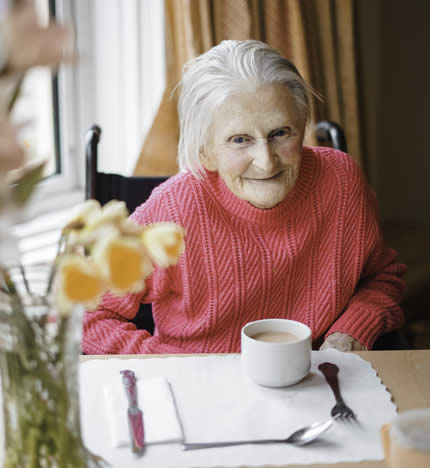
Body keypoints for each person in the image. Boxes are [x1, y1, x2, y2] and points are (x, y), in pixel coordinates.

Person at [82, 40, 407, 355]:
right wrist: (169, 361)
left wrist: (350, 331)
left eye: (281, 133)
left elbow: (381, 278)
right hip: (200, 393)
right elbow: (85, 314)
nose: (266, 161)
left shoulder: (342, 180)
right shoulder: (174, 209)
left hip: (316, 384)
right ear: (205, 153)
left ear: (302, 125)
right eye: (240, 140)